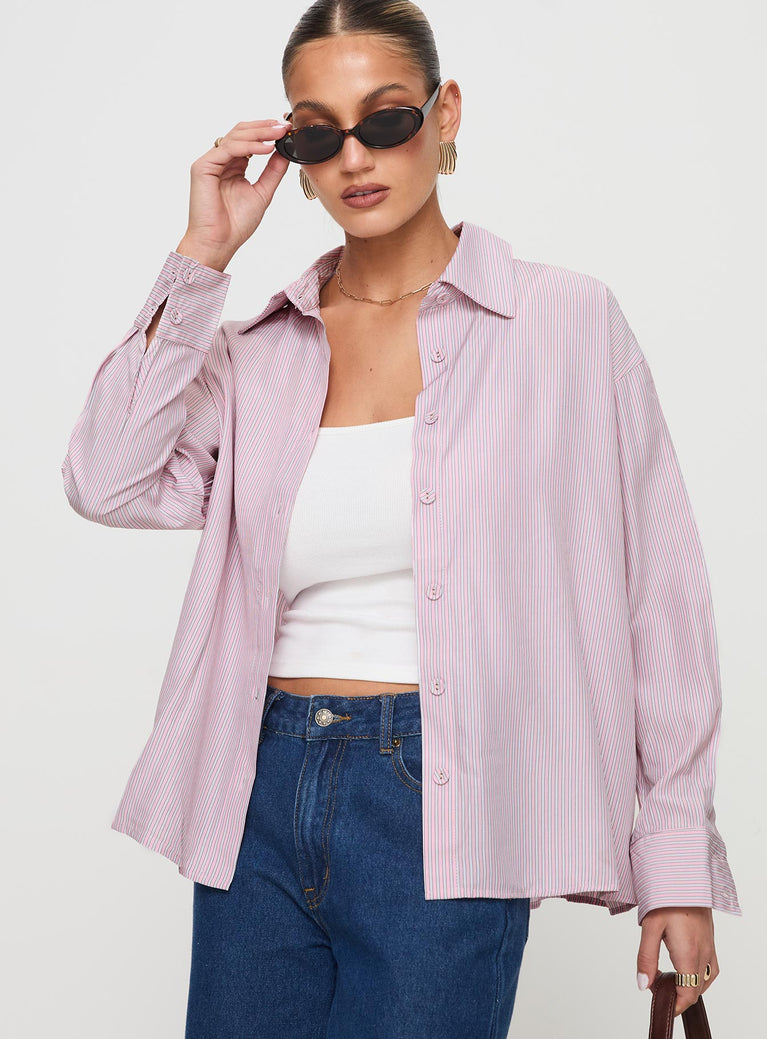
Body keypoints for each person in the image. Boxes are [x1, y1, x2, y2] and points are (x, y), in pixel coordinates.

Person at [61, 1, 741, 1036]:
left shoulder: (563, 322)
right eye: (316, 135)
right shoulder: (258, 353)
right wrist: (202, 254)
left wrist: (675, 863)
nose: (354, 157)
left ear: (444, 113)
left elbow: (659, 594)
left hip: (447, 796)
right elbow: (105, 478)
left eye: (384, 119)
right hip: (257, 786)